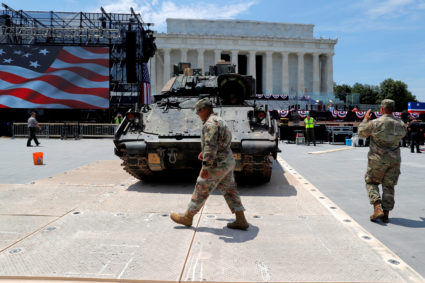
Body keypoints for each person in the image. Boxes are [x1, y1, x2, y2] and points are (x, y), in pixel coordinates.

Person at [170, 98, 249, 230]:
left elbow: (210, 145)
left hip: (216, 164)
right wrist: (204, 152)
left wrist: (206, 165)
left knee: (201, 188)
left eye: (199, 111)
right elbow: (224, 141)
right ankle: (241, 219)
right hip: (227, 161)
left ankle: (188, 217)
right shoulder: (220, 120)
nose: (198, 114)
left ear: (205, 109)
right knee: (230, 190)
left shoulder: (210, 124)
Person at [358, 99, 407, 223]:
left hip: (377, 160)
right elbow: (403, 134)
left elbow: (361, 133)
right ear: (393, 110)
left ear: (381, 109)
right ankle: (386, 214)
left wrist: (365, 120)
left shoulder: (375, 123)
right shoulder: (400, 124)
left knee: (371, 182)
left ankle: (377, 208)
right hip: (394, 160)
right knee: (389, 186)